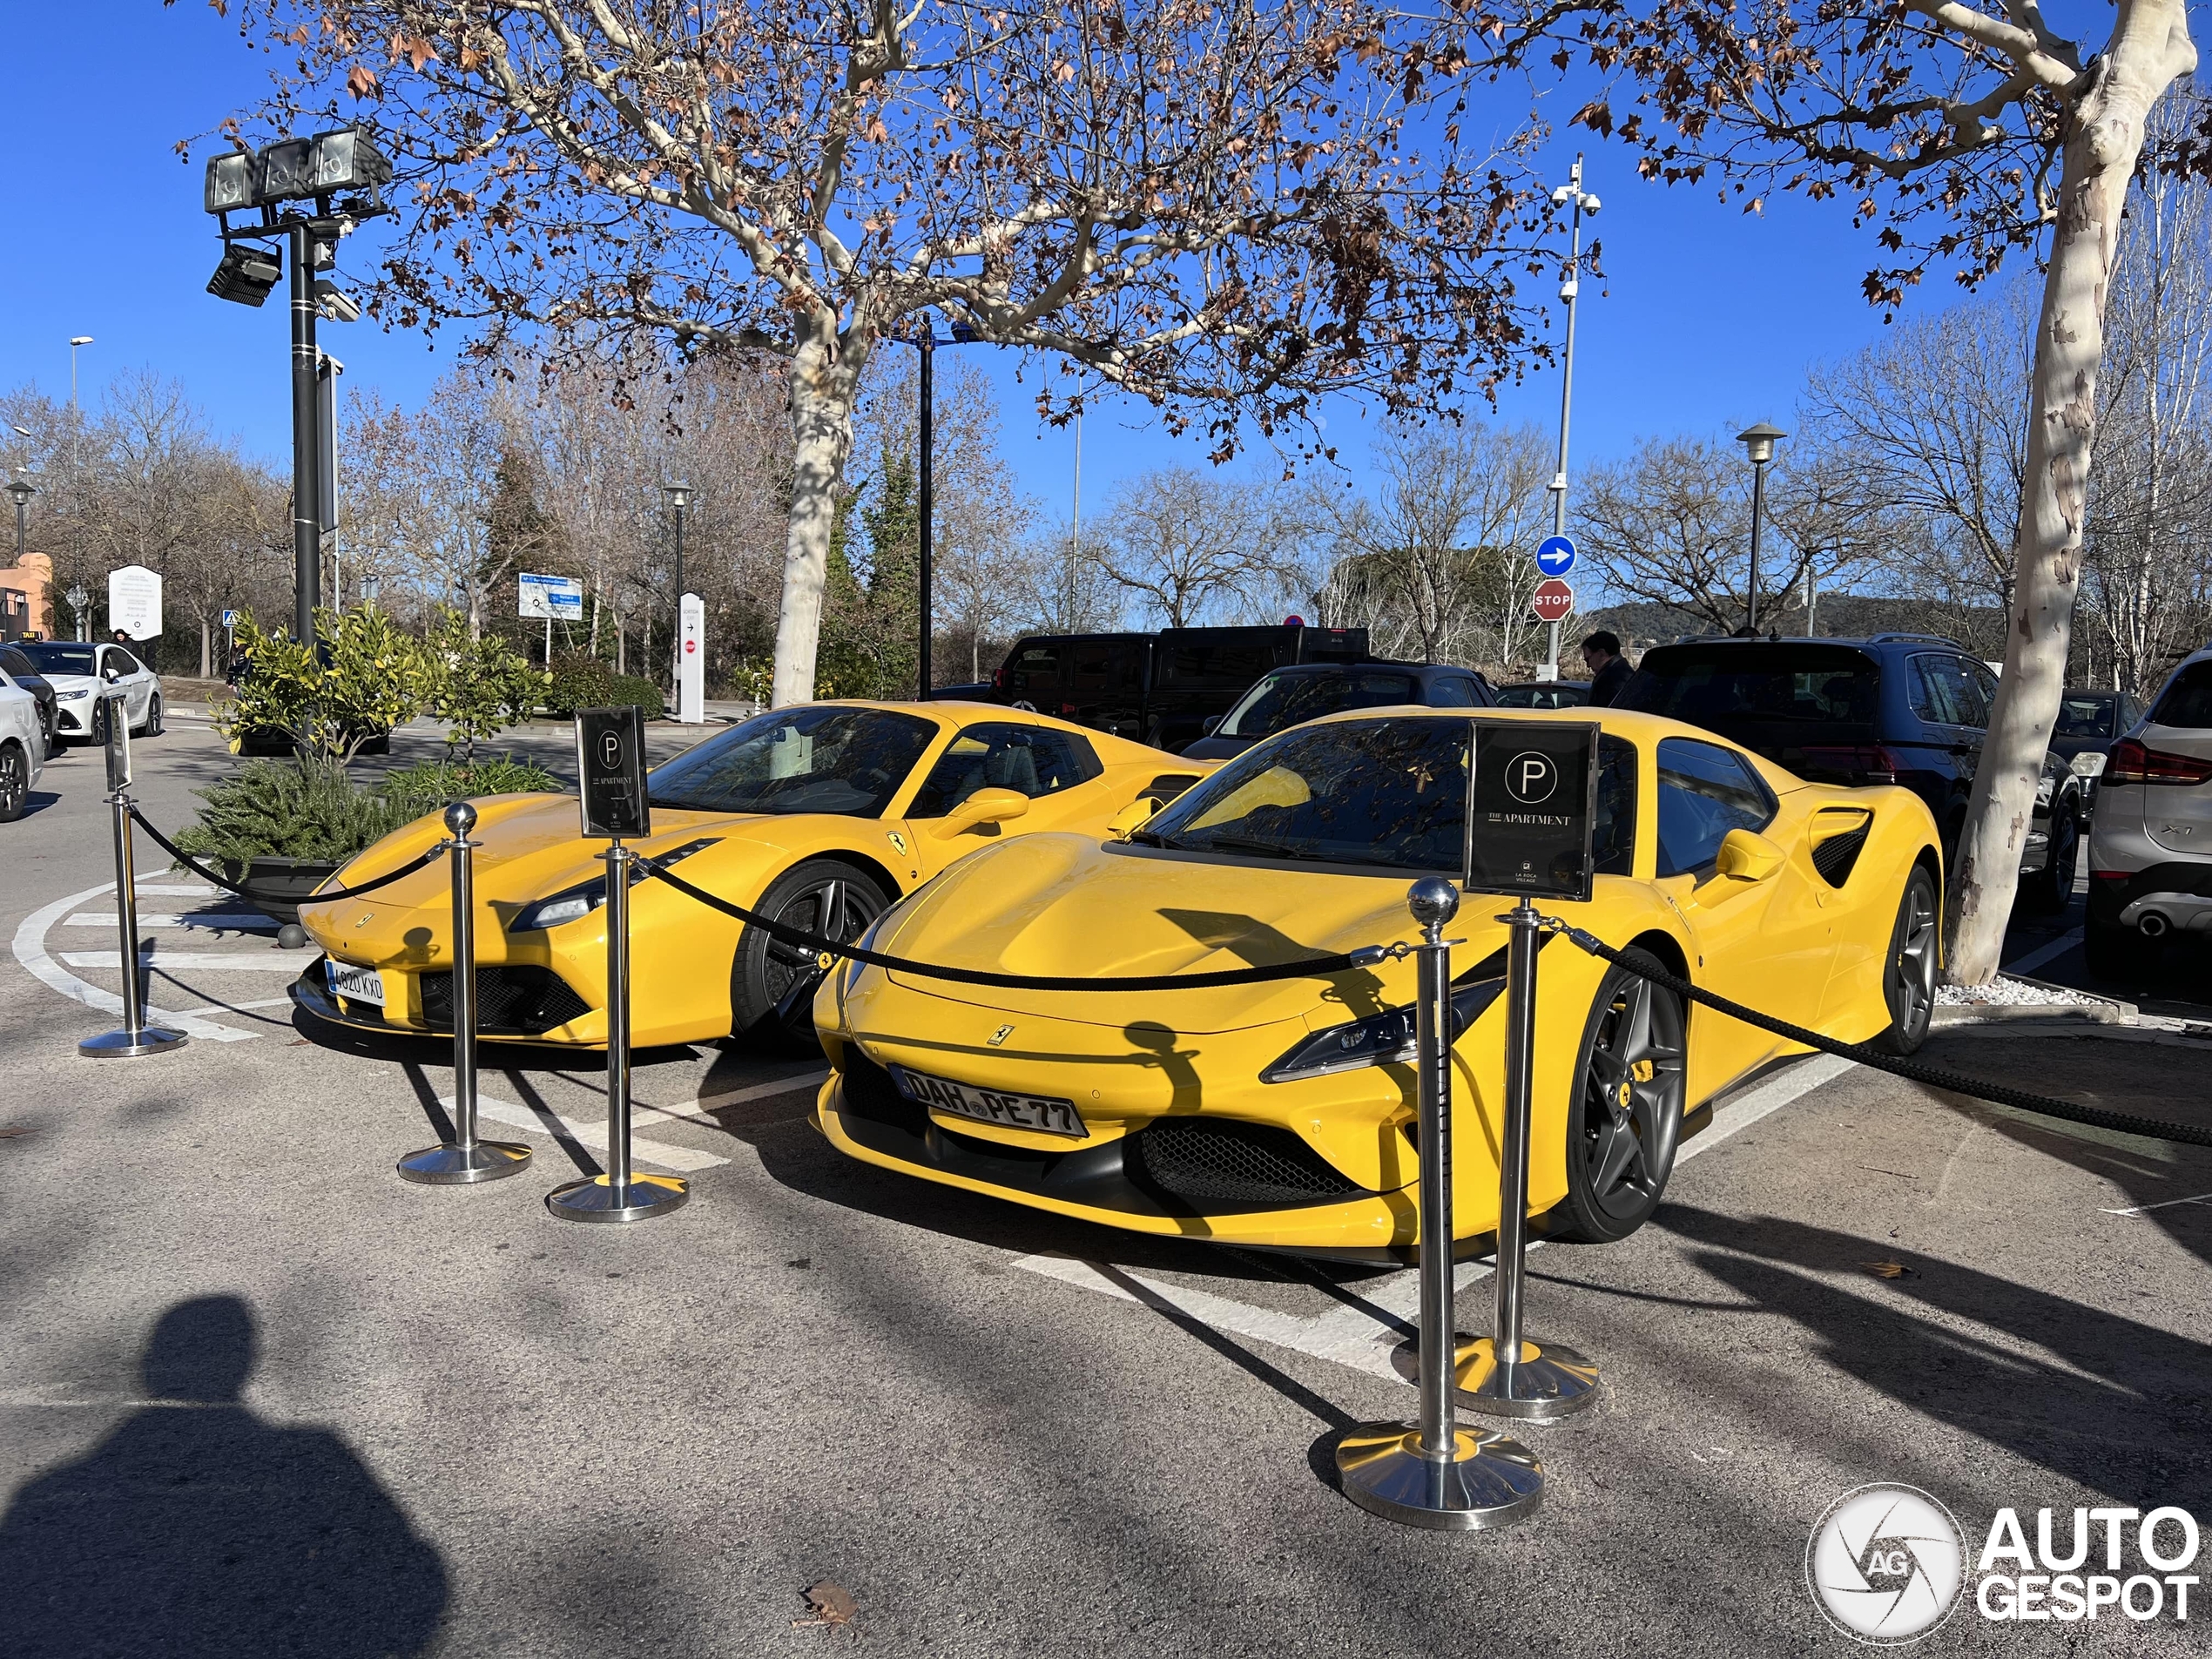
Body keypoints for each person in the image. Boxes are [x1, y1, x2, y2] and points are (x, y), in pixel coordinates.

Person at [1581, 630, 1634, 707]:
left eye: (1587, 659)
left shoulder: (1614, 679)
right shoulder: (1625, 674)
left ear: (1602, 654)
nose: (1588, 665)